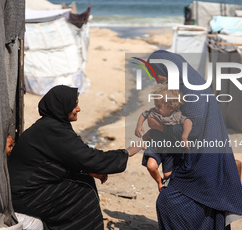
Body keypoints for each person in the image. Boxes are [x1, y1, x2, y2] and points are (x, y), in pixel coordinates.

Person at [7, 85, 142, 230]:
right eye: (75, 105)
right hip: (25, 195)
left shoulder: (51, 126)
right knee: (84, 192)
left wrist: (88, 171)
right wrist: (127, 152)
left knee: (82, 181)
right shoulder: (52, 130)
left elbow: (68, 158)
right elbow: (89, 158)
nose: (79, 109)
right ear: (63, 106)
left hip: (25, 190)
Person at [144, 50, 242, 230]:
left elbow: (193, 131)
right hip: (201, 156)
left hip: (203, 160)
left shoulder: (193, 90)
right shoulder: (190, 85)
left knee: (169, 202)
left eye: (156, 73)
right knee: (204, 205)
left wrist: (159, 127)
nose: (156, 79)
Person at [134, 84, 192, 192]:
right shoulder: (155, 112)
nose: (156, 108)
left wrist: (184, 137)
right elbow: (144, 114)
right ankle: (159, 182)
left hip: (170, 150)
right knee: (151, 166)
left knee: (168, 174)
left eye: (159, 106)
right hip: (155, 147)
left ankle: (166, 189)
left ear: (171, 107)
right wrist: (139, 126)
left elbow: (188, 122)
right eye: (155, 104)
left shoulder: (176, 116)